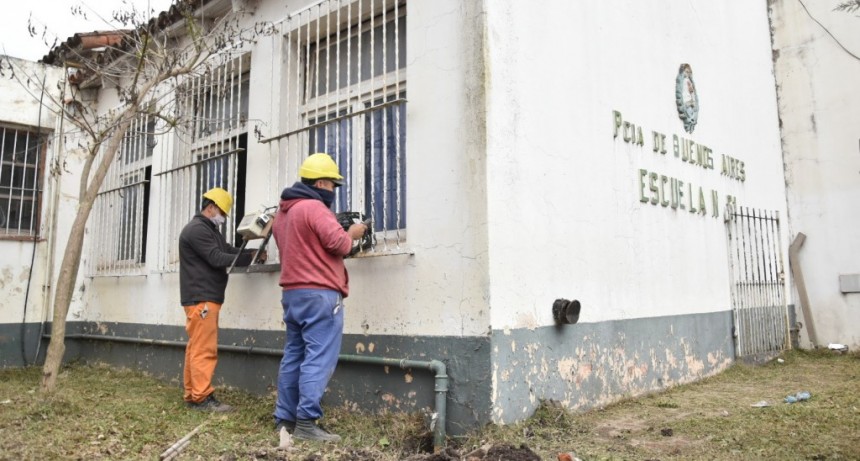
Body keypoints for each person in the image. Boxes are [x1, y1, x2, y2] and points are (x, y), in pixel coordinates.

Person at [272, 153, 367, 441]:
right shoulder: (313, 208)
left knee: (293, 356)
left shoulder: (283, 212)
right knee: (318, 358)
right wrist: (353, 233)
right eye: (333, 186)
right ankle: (306, 424)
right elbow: (339, 244)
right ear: (323, 182)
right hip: (320, 295)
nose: (333, 192)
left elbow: (300, 245)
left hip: (293, 294)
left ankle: (284, 419)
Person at [179, 187, 262, 412]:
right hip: (202, 297)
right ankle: (202, 398)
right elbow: (217, 258)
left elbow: (225, 249)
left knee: (195, 347)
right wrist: (247, 259)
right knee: (204, 349)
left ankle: (192, 395)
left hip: (203, 297)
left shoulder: (208, 229)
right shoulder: (197, 230)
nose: (223, 217)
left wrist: (251, 253)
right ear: (211, 207)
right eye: (222, 213)